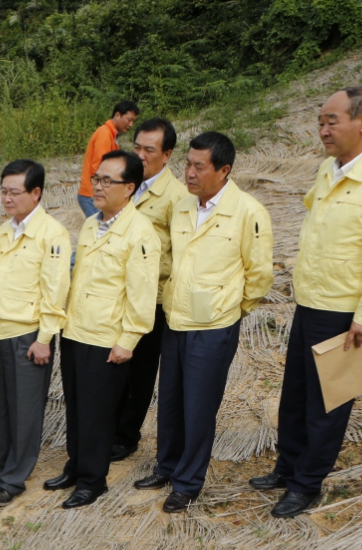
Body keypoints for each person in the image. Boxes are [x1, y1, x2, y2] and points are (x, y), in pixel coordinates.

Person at [252, 86, 362, 519]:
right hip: (313, 300)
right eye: (320, 121)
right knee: (297, 393)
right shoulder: (330, 169)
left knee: (329, 402)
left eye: (331, 121)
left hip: (347, 309)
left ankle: (307, 484)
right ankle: (287, 467)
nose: (323, 129)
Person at [134, 132, 273, 513]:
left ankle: (188, 482)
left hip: (213, 326)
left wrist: (231, 307)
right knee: (172, 400)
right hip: (177, 318)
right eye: (188, 164)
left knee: (199, 406)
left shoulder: (248, 212)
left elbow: (259, 274)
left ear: (223, 170)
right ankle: (166, 466)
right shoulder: (182, 207)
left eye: (199, 166)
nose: (190, 173)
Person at [46, 151, 159, 508]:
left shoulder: (140, 233)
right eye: (97, 178)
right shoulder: (94, 222)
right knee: (77, 406)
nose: (97, 185)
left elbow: (142, 294)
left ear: (129, 188)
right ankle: (76, 466)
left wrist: (128, 340)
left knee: (97, 413)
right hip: (77, 330)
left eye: (107, 181)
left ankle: (93, 481)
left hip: (107, 337)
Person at [0, 160, 71, 508]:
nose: (6, 198)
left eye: (14, 192)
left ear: (35, 193)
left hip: (29, 333)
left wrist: (44, 337)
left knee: (25, 409)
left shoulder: (52, 234)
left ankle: (15, 477)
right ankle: (5, 462)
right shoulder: (5, 231)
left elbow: (55, 289)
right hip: (0, 330)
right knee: (3, 405)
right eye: (3, 191)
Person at [111, 117, 188, 461]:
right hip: (116, 293)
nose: (140, 155)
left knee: (139, 370)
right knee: (112, 362)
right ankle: (107, 426)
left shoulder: (177, 198)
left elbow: (181, 254)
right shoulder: (124, 184)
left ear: (167, 154)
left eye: (149, 150)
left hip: (152, 298)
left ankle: (126, 435)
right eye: (136, 147)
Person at [77, 100, 139, 219]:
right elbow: (99, 166)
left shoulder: (111, 135)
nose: (131, 124)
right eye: (129, 119)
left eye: (133, 121)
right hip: (92, 194)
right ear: (117, 115)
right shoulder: (104, 134)